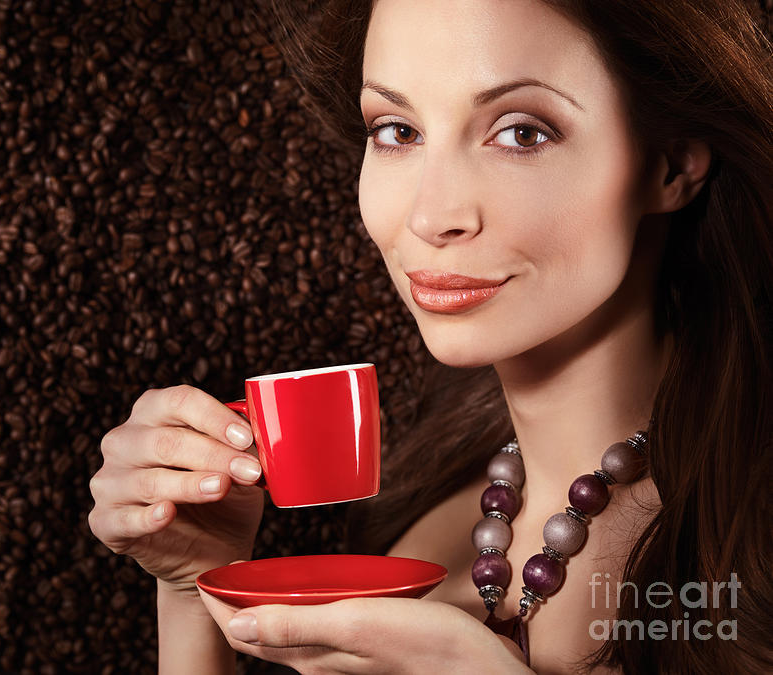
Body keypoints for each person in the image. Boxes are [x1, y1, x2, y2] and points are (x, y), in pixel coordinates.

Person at [87, 0, 773, 672]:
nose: (430, 214)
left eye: (521, 132)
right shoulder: (422, 516)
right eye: (396, 131)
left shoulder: (748, 538)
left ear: (672, 166)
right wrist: (192, 582)